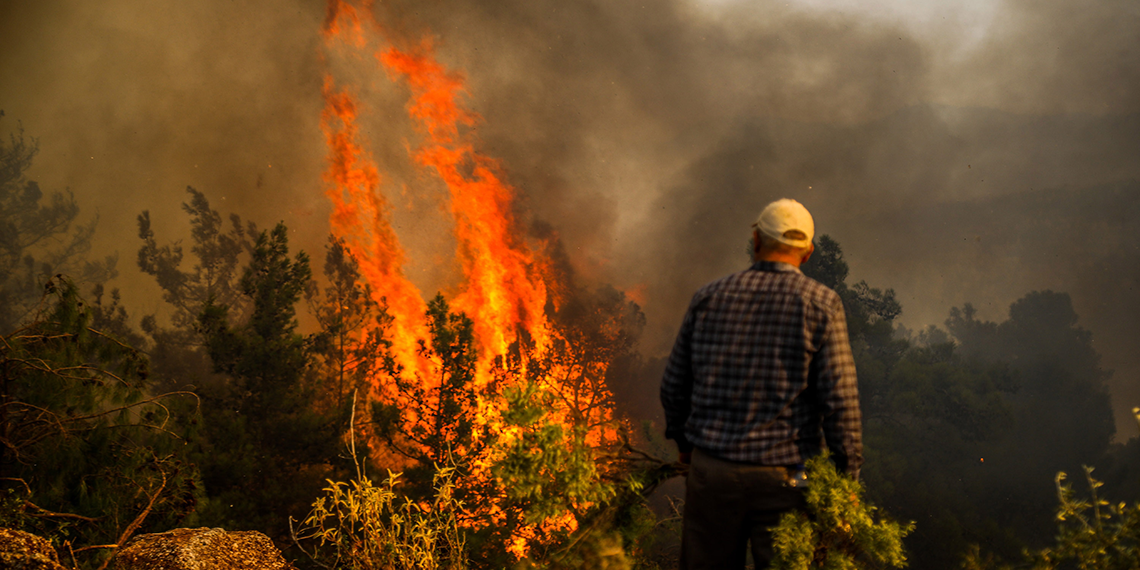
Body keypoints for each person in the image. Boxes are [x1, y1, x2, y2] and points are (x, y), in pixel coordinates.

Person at [660, 198, 863, 569]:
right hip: (787, 480)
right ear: (808, 253)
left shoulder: (710, 297)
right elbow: (840, 402)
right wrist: (845, 481)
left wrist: (686, 448)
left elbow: (674, 384)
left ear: (755, 241)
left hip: (713, 474)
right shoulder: (822, 304)